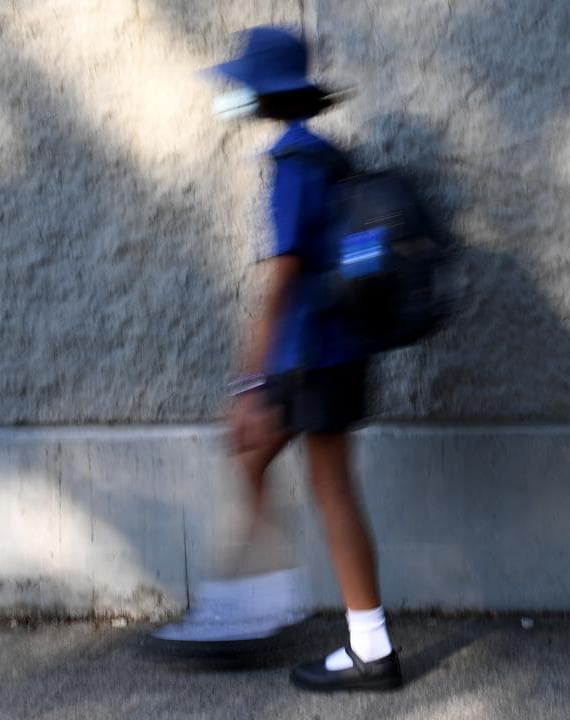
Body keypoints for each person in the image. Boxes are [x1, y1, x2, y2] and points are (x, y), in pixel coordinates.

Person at [154, 27, 402, 692]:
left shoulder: (293, 164)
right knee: (257, 460)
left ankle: (367, 647)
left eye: (241, 86)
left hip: (313, 356)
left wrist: (251, 380)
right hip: (334, 351)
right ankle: (248, 611)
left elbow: (284, 279)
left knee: (328, 488)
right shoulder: (326, 155)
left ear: (263, 94)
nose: (232, 96)